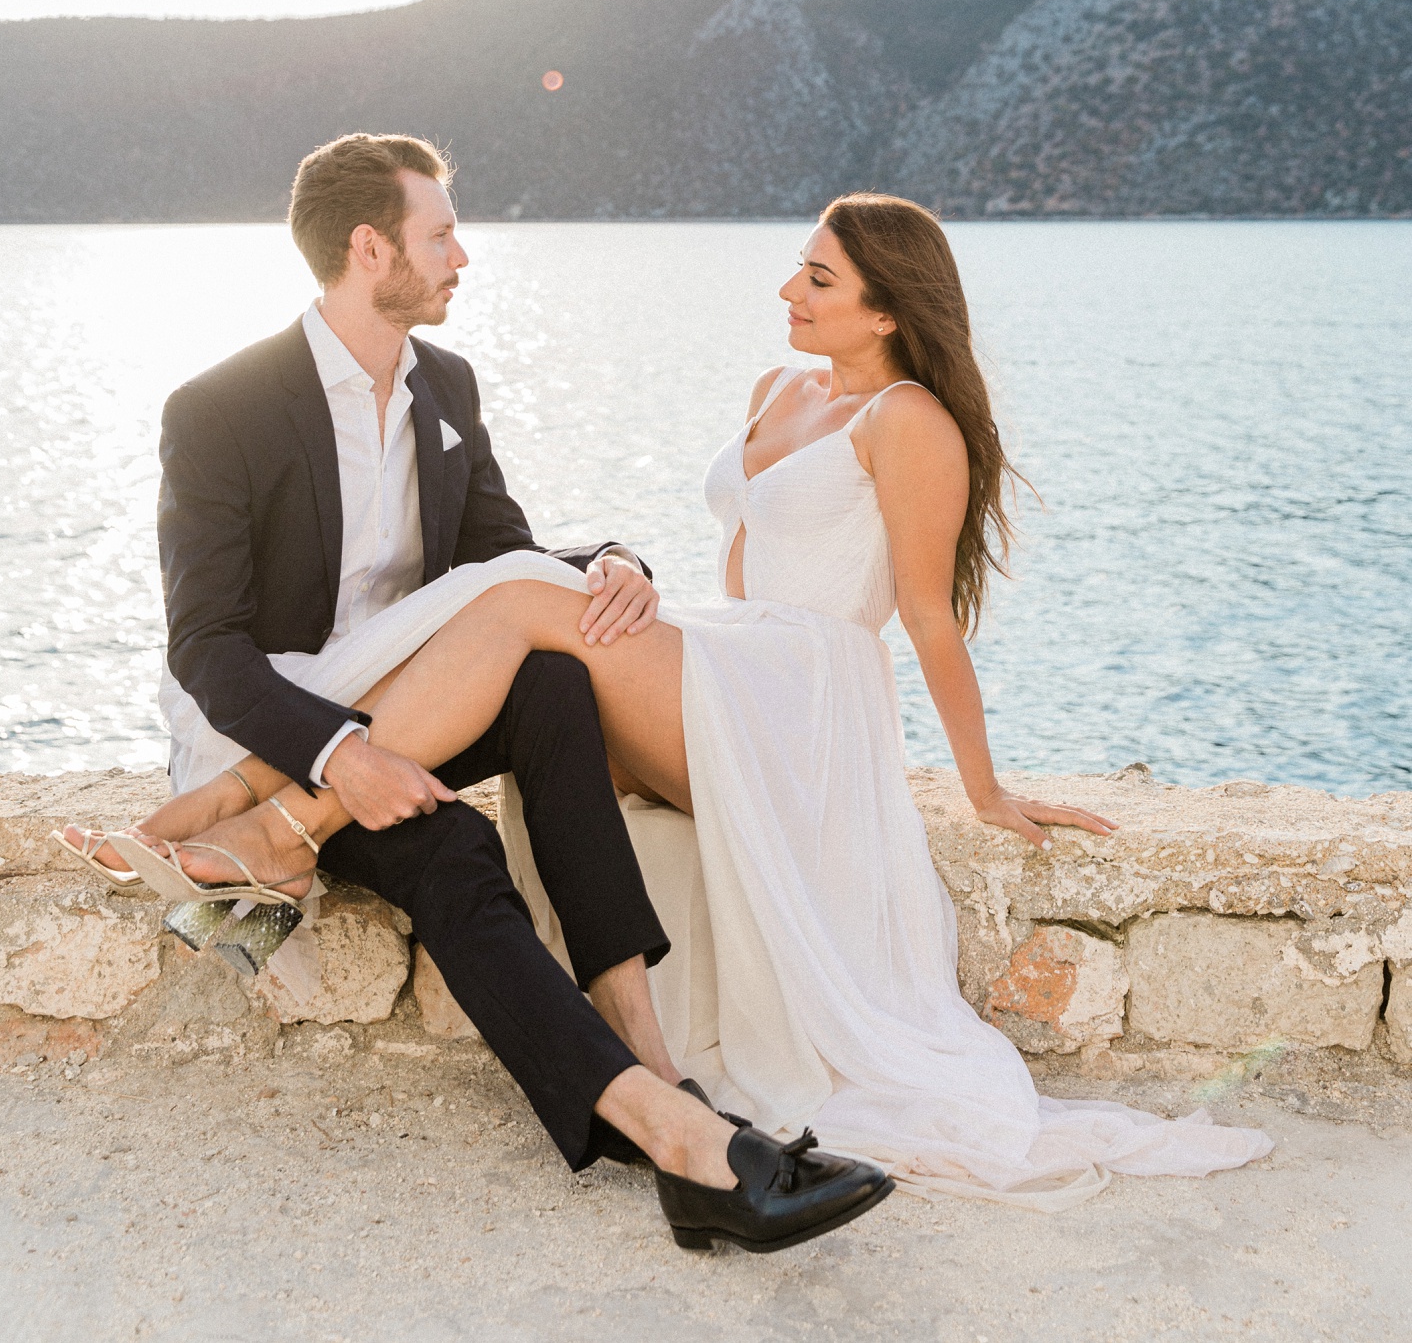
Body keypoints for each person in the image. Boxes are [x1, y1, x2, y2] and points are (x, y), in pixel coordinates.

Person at [111, 187, 1271, 1206]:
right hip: (718, 653)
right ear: (372, 248)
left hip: (800, 695)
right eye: (444, 232)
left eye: (818, 276)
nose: (788, 287)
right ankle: (629, 1063)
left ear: (886, 309)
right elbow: (738, 557)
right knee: (533, 639)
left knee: (525, 609)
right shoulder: (775, 389)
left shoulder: (908, 421)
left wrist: (981, 786)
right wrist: (637, 600)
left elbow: (925, 621)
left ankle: (274, 821)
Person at [59, 133, 892, 1257]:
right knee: (455, 854)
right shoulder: (222, 407)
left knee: (552, 677)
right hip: (281, 735)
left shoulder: (444, 385)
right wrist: (339, 759)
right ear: (370, 248)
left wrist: (614, 560)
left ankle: (655, 1063)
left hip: (415, 710)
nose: (464, 255)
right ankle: (681, 1139)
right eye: (441, 232)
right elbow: (206, 651)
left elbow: (504, 554)